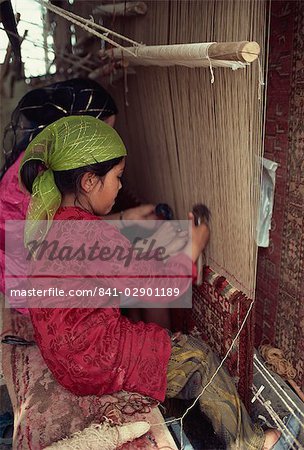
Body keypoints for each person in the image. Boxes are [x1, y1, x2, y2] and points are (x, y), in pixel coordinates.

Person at [17, 115, 299, 450]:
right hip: (91, 360)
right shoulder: (92, 235)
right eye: (117, 177)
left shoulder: (51, 225)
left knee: (147, 332)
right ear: (90, 181)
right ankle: (252, 444)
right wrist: (195, 243)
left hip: (64, 359)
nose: (121, 186)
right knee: (196, 357)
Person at [0, 78, 156, 311]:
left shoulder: (43, 153)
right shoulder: (41, 174)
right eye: (105, 133)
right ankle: (169, 342)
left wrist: (126, 219)